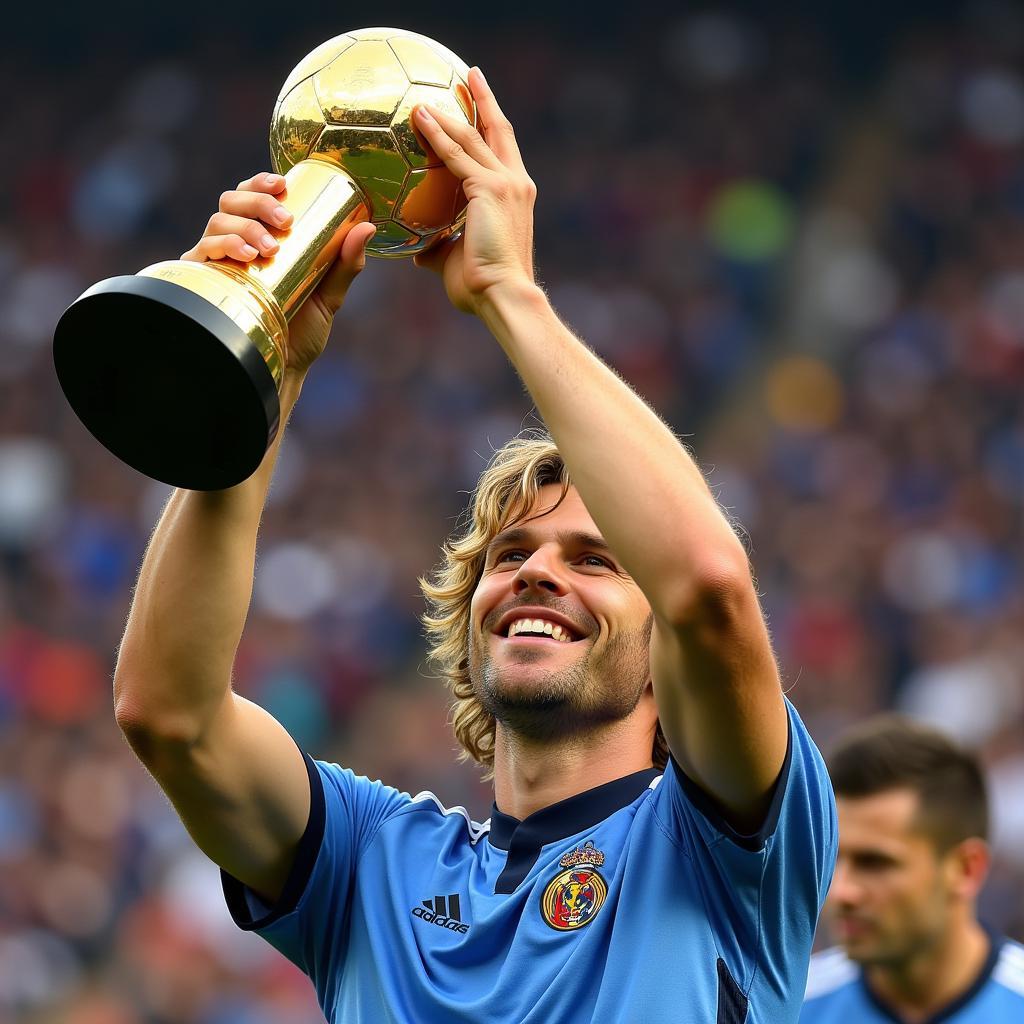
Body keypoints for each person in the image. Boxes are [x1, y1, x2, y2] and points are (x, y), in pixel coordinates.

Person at [113, 67, 836, 1023]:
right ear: (469, 621)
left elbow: (705, 585)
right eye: (511, 555)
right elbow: (170, 714)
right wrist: (261, 362)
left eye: (595, 559)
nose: (537, 569)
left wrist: (508, 295)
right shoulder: (368, 862)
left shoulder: (728, 849)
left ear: (668, 663)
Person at [801, 715, 1024, 1023]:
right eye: (832, 859)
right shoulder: (789, 1010)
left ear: (965, 869)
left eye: (875, 863)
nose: (841, 892)